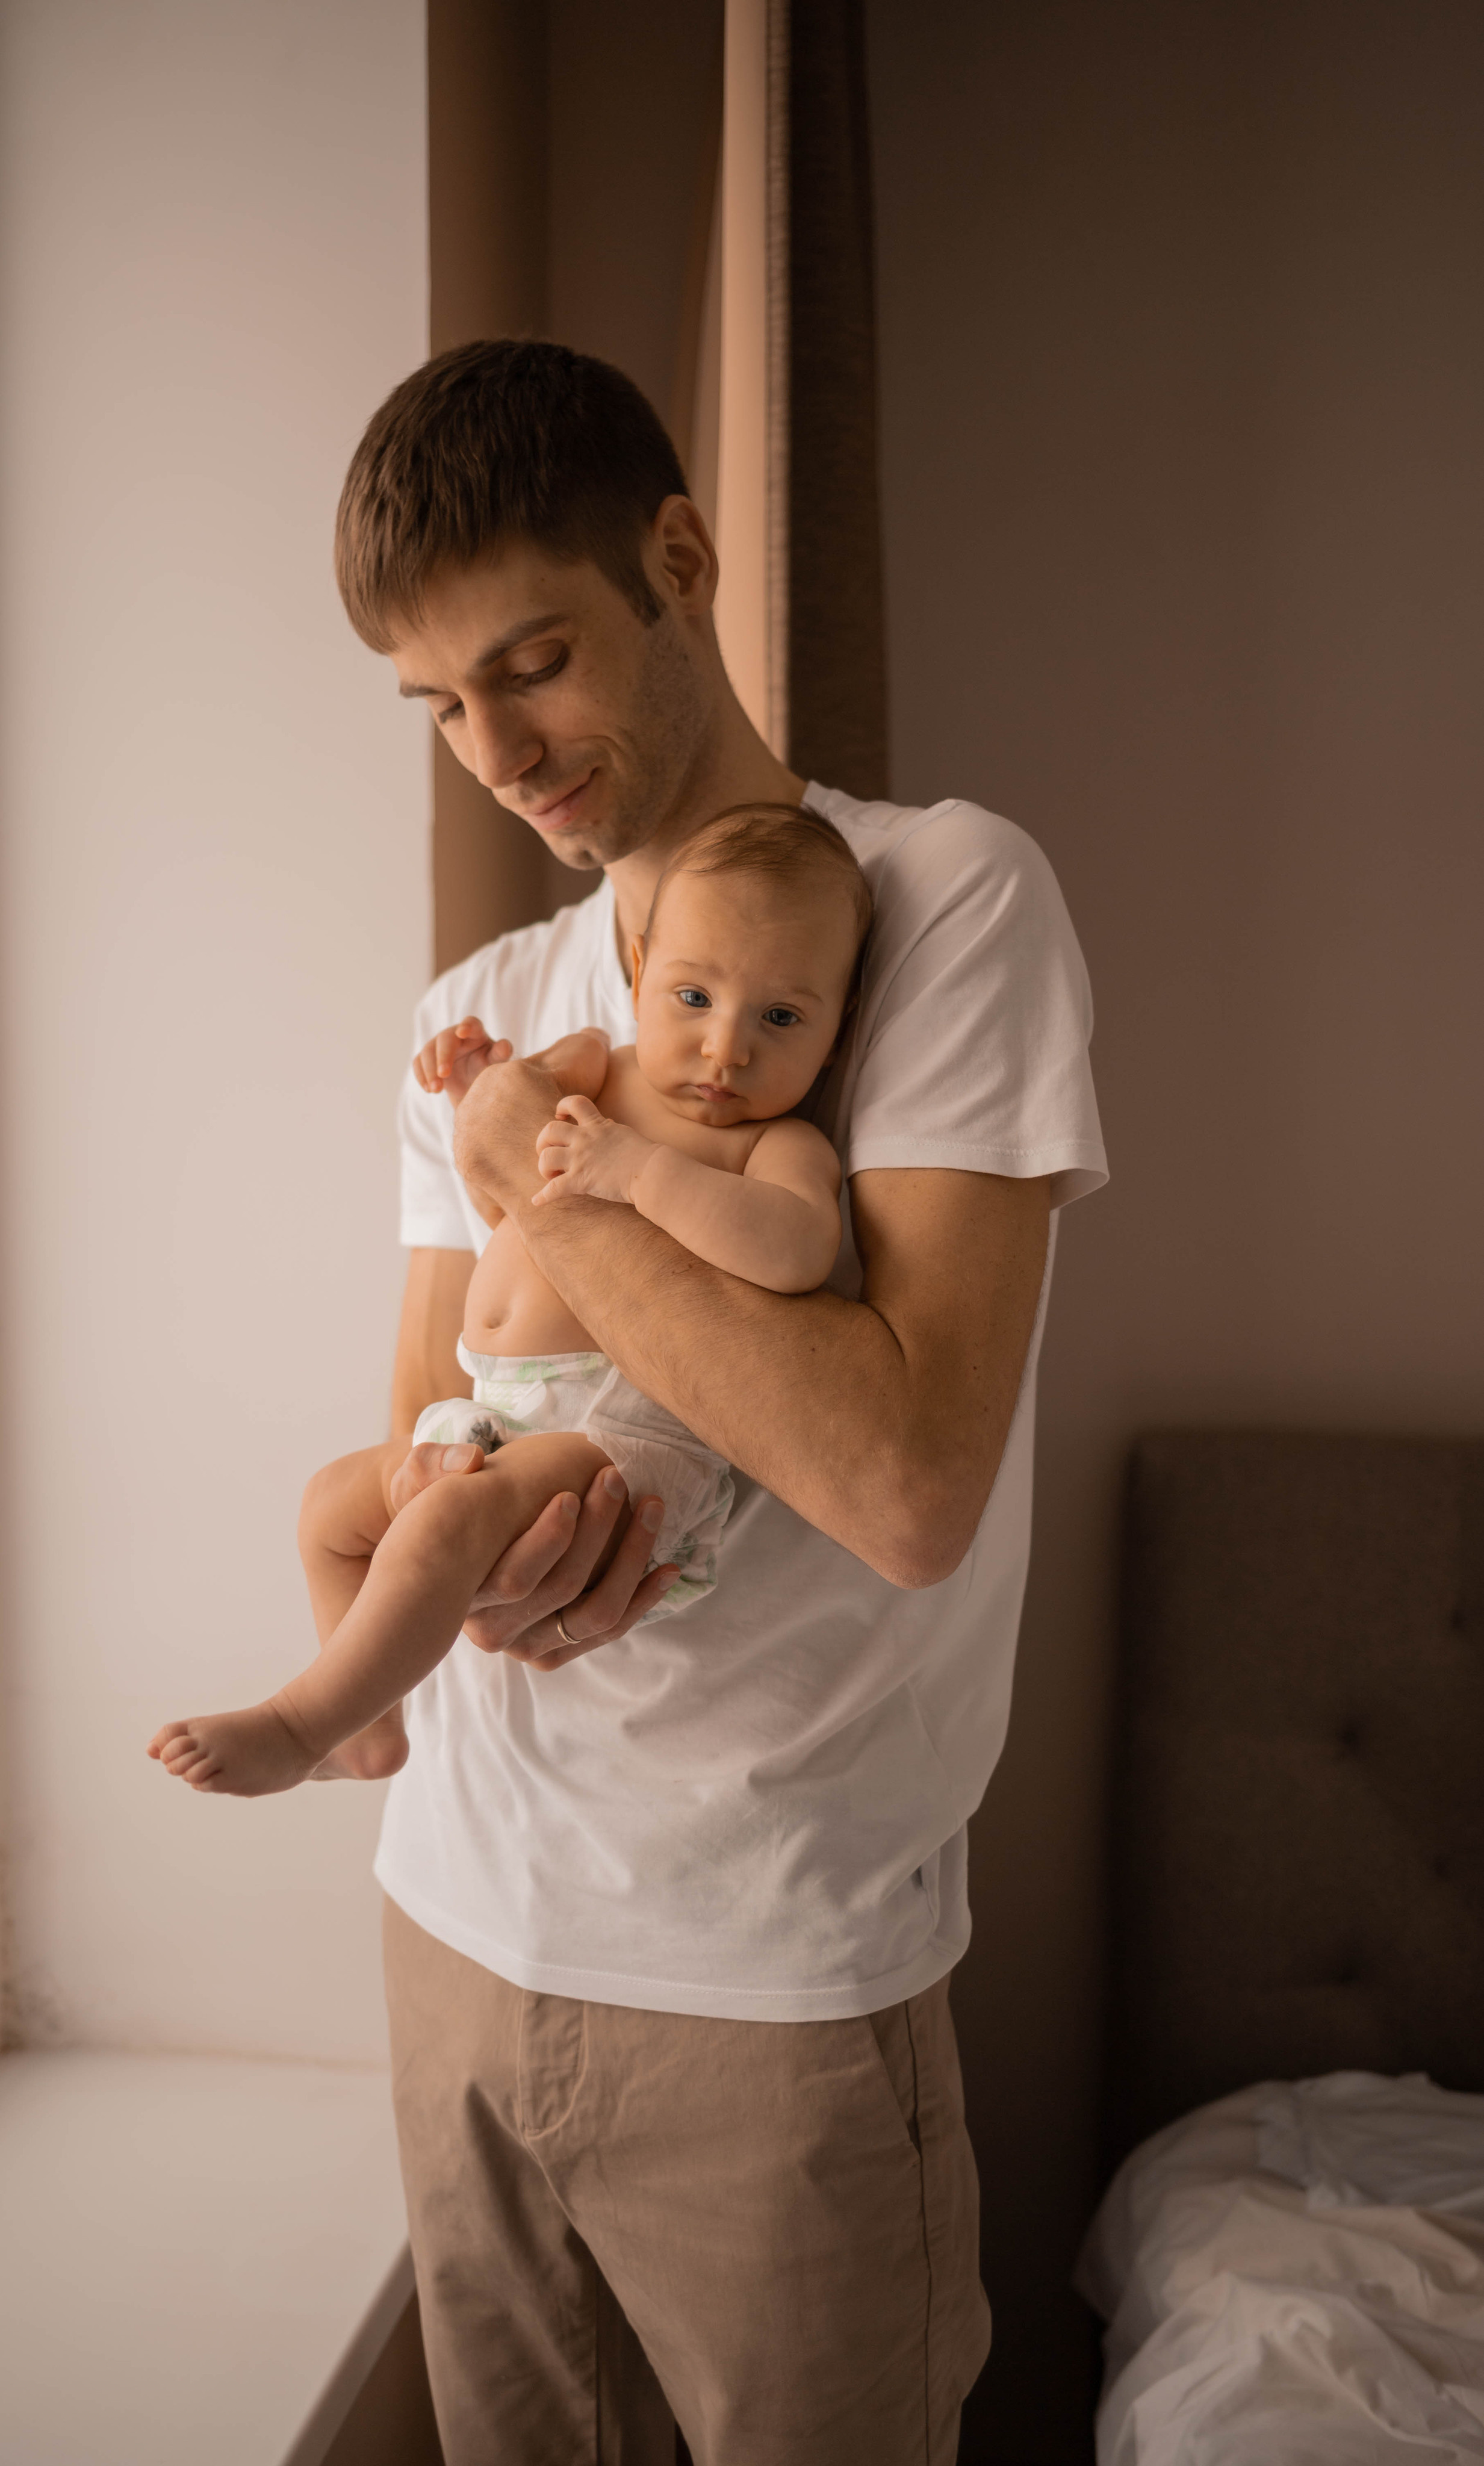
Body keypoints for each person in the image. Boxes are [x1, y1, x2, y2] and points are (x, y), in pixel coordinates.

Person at [335, 338, 1107, 2466]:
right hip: (453, 1921)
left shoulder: (935, 904)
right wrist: (467, 1548)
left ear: (678, 555)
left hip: (771, 1974)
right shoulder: (478, 1014)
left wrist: (553, 1193)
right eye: (438, 707)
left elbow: (896, 1476)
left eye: (535, 661)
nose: (492, 749)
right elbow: (429, 1425)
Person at [145, 804, 869, 1799]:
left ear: (835, 1038)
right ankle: (373, 1731)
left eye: (780, 1017)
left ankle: (298, 1718)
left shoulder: (775, 1147)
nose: (724, 1050)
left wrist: (640, 1172)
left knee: (443, 1531)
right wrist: (474, 1095)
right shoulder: (589, 1069)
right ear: (641, 968)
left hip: (623, 1431)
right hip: (494, 1408)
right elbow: (501, 1201)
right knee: (330, 1509)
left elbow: (791, 1252)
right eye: (693, 996)